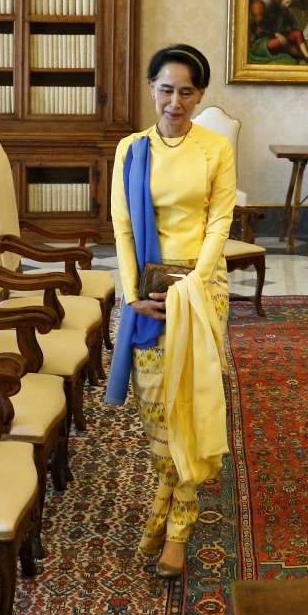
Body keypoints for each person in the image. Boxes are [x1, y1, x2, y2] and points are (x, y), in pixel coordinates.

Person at [105, 44, 236, 580]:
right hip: (148, 289)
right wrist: (133, 292)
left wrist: (193, 288)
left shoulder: (215, 149)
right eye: (166, 89)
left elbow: (219, 221)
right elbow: (122, 225)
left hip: (202, 288)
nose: (175, 101)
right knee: (156, 403)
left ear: (200, 95)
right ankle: (169, 487)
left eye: (186, 92)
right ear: (151, 88)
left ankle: (178, 522)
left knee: (192, 400)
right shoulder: (131, 150)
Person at [247, 0, 308, 66]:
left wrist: (284, 15)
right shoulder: (259, 4)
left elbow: (289, 26)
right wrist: (276, 34)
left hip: (274, 38)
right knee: (283, 41)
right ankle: (302, 55)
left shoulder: (280, 5)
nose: (288, 6)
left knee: (297, 33)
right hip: (259, 42)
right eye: (287, 3)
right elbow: (256, 28)